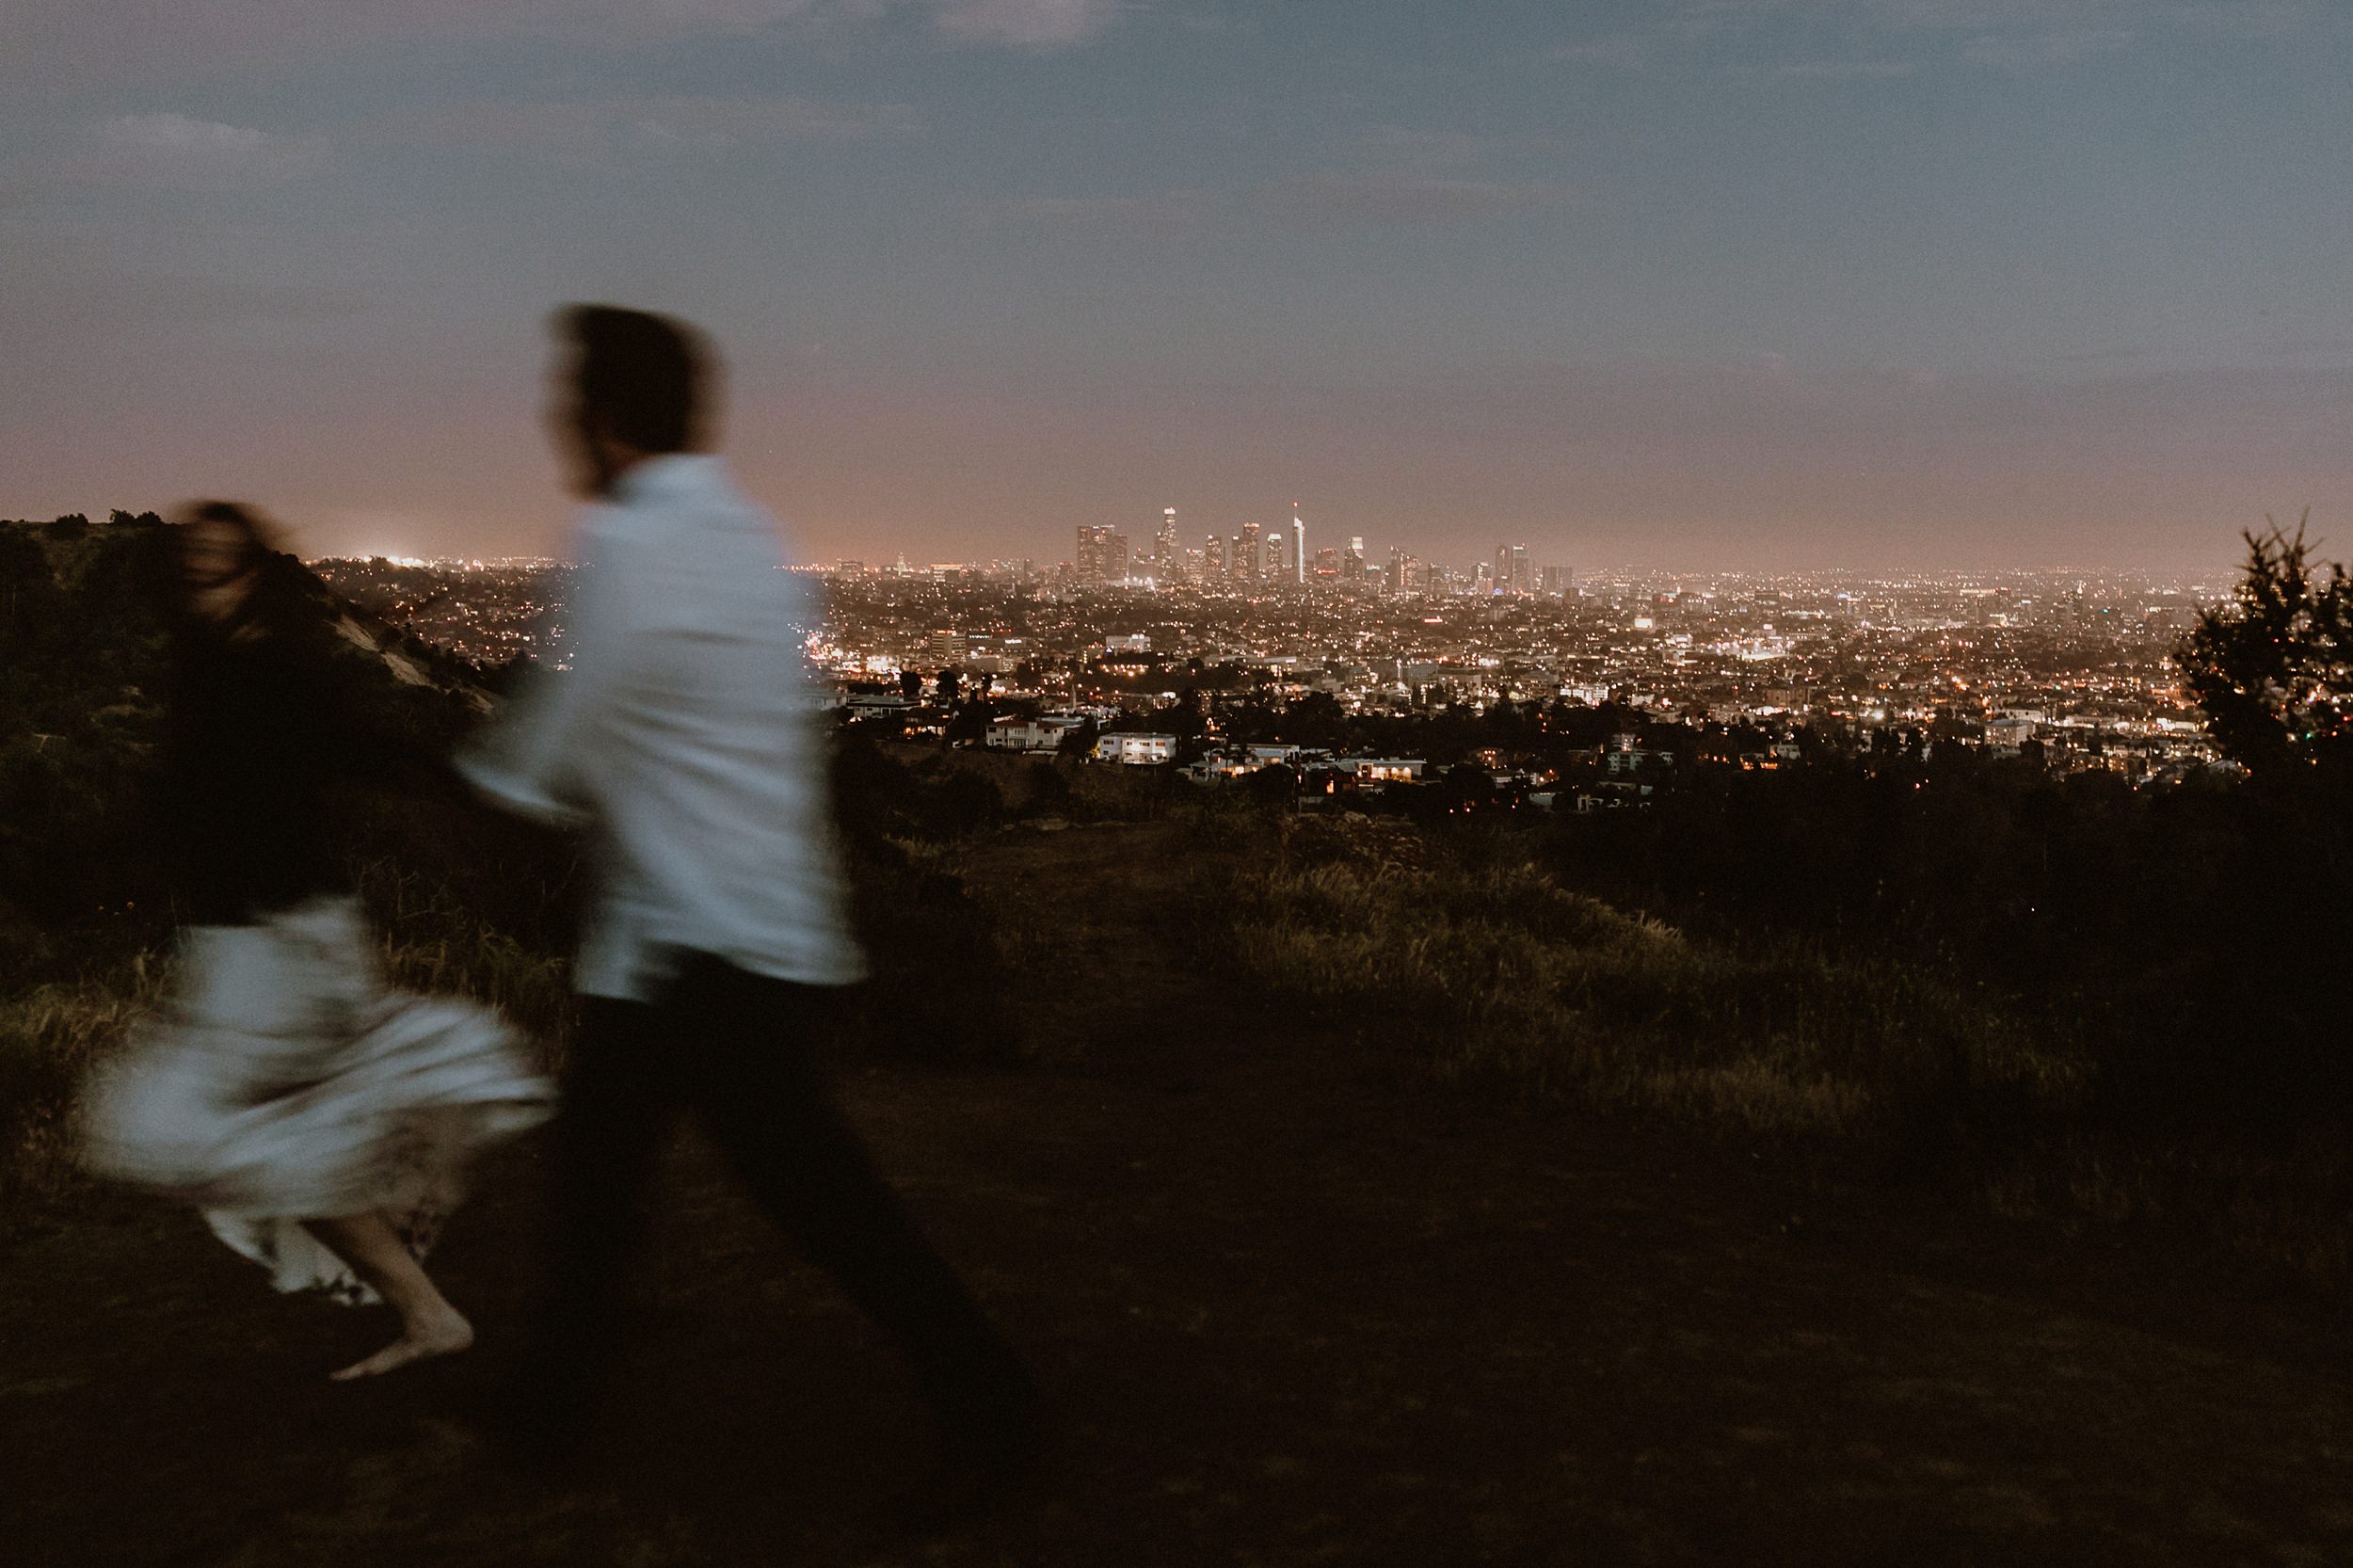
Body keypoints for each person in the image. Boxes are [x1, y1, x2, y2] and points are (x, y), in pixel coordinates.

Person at [461, 305, 1041, 1515]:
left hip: (688, 938)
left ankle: (992, 1401)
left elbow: (557, 746)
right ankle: (552, 1400)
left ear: (604, 418)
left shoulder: (623, 545)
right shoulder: (752, 537)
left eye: (567, 403)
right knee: (612, 1170)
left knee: (804, 1196)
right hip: (750, 917)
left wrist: (483, 777)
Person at [81, 502, 552, 1381]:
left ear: (255, 572)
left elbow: (359, 753)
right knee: (276, 1138)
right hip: (251, 943)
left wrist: (476, 780)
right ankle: (427, 1287)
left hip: (282, 942)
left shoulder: (270, 675)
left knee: (240, 1136)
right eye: (191, 572)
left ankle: (429, 1294)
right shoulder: (209, 669)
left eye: (222, 569)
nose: (206, 589)